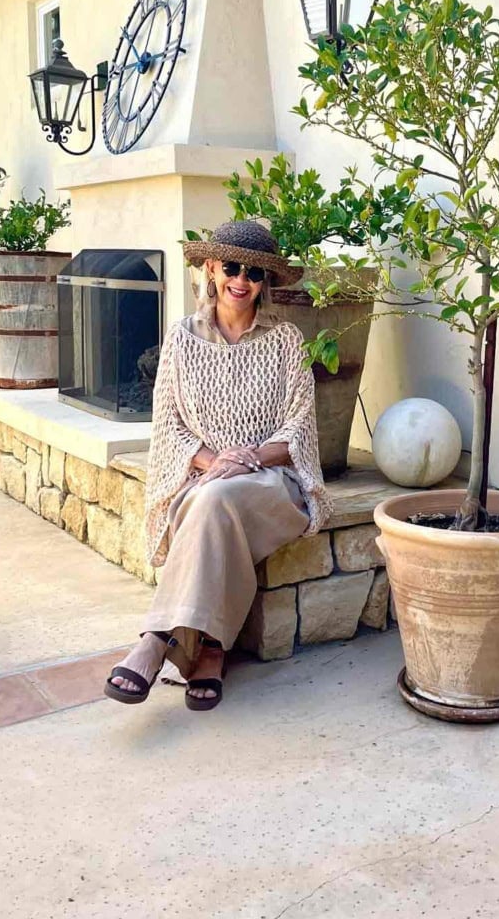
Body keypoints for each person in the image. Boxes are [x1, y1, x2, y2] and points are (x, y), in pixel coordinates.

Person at [105, 221, 332, 711]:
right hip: (204, 476)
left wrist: (247, 458)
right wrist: (214, 460)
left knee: (213, 499)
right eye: (231, 267)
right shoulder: (181, 338)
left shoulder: (287, 339)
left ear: (264, 281)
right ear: (211, 268)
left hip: (273, 481)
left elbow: (300, 428)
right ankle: (209, 649)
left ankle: (158, 637)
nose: (241, 280)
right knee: (212, 500)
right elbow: (166, 424)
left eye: (253, 272)